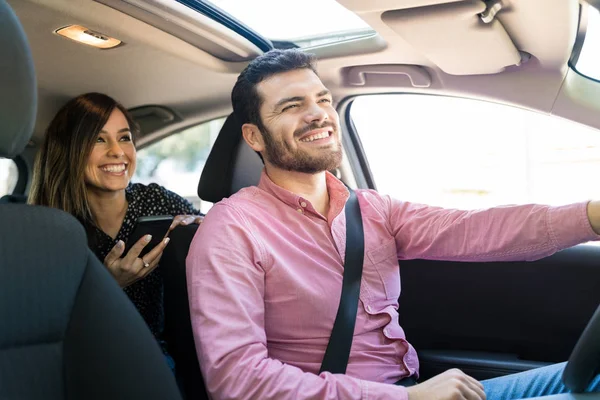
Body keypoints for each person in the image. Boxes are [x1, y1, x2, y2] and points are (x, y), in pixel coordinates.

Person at [186, 49, 600, 400]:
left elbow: (478, 229)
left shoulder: (369, 209)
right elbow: (237, 381)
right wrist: (403, 397)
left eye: (323, 99)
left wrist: (592, 217)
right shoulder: (230, 231)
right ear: (254, 137)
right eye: (292, 106)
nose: (318, 115)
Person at [29, 92, 203, 367]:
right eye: (99, 139)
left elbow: (210, 230)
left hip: (154, 357)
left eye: (124, 138)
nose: (117, 152)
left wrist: (199, 228)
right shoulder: (46, 228)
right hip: (82, 360)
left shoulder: (156, 201)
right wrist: (110, 285)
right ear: (70, 150)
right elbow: (42, 325)